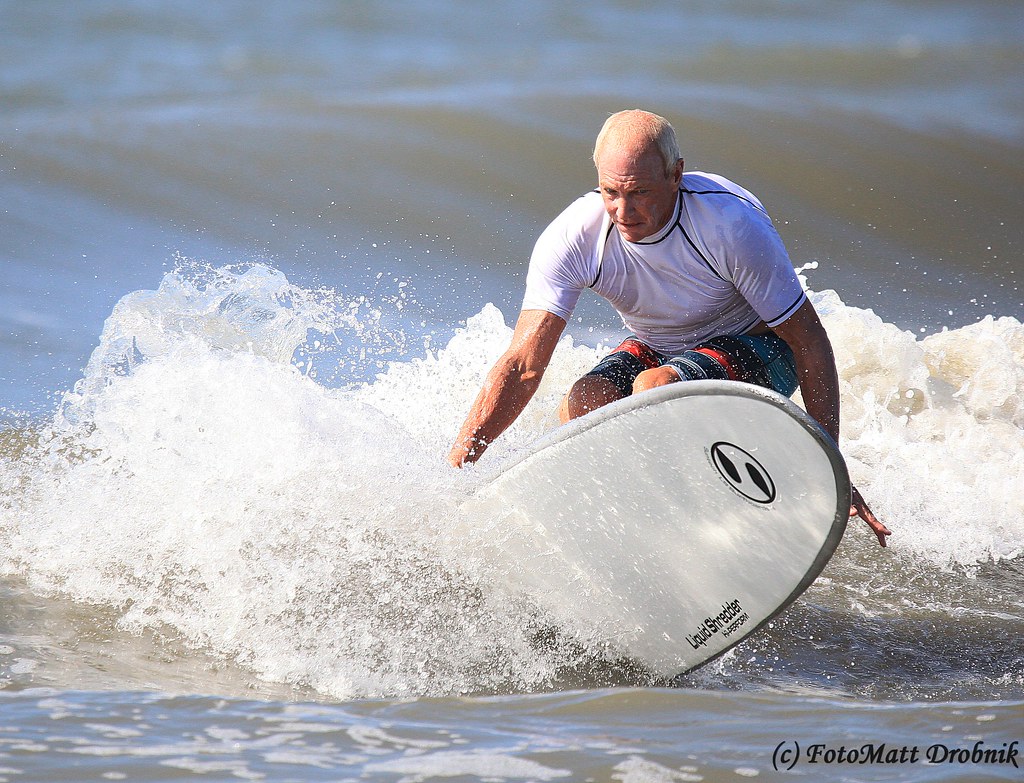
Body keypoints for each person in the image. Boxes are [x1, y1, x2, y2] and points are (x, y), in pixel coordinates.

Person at [448, 109, 890, 547]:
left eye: (640, 191)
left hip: (763, 347)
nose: (624, 211)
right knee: (585, 402)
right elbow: (523, 364)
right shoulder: (575, 237)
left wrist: (829, 465)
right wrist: (457, 473)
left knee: (655, 387)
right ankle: (634, 528)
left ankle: (710, 525)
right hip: (660, 346)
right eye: (611, 192)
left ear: (676, 174)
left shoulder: (729, 224)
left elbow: (809, 340)